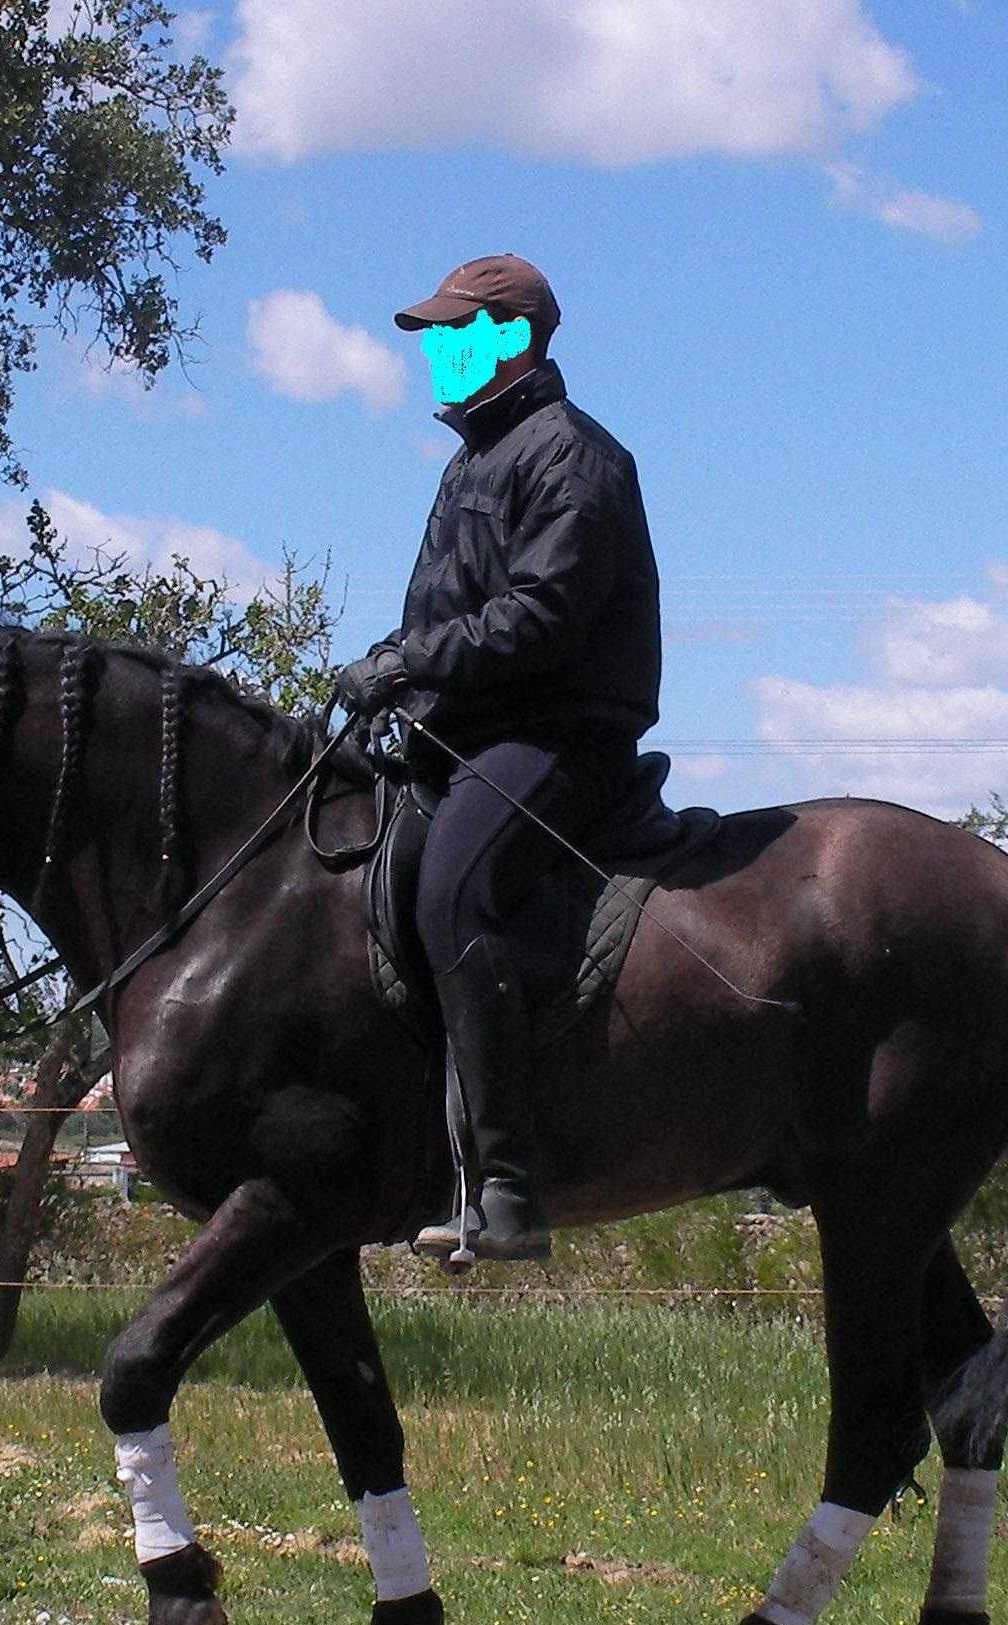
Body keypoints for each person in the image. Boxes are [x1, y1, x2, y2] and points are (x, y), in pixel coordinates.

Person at [331, 253, 662, 1263]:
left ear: (510, 338)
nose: (436, 350)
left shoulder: (573, 456)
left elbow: (539, 618)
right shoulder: (471, 460)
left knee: (450, 895)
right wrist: (399, 694)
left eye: (454, 331)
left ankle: (509, 1185)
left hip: (560, 738)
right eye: (432, 333)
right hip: (471, 732)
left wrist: (401, 662)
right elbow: (448, 614)